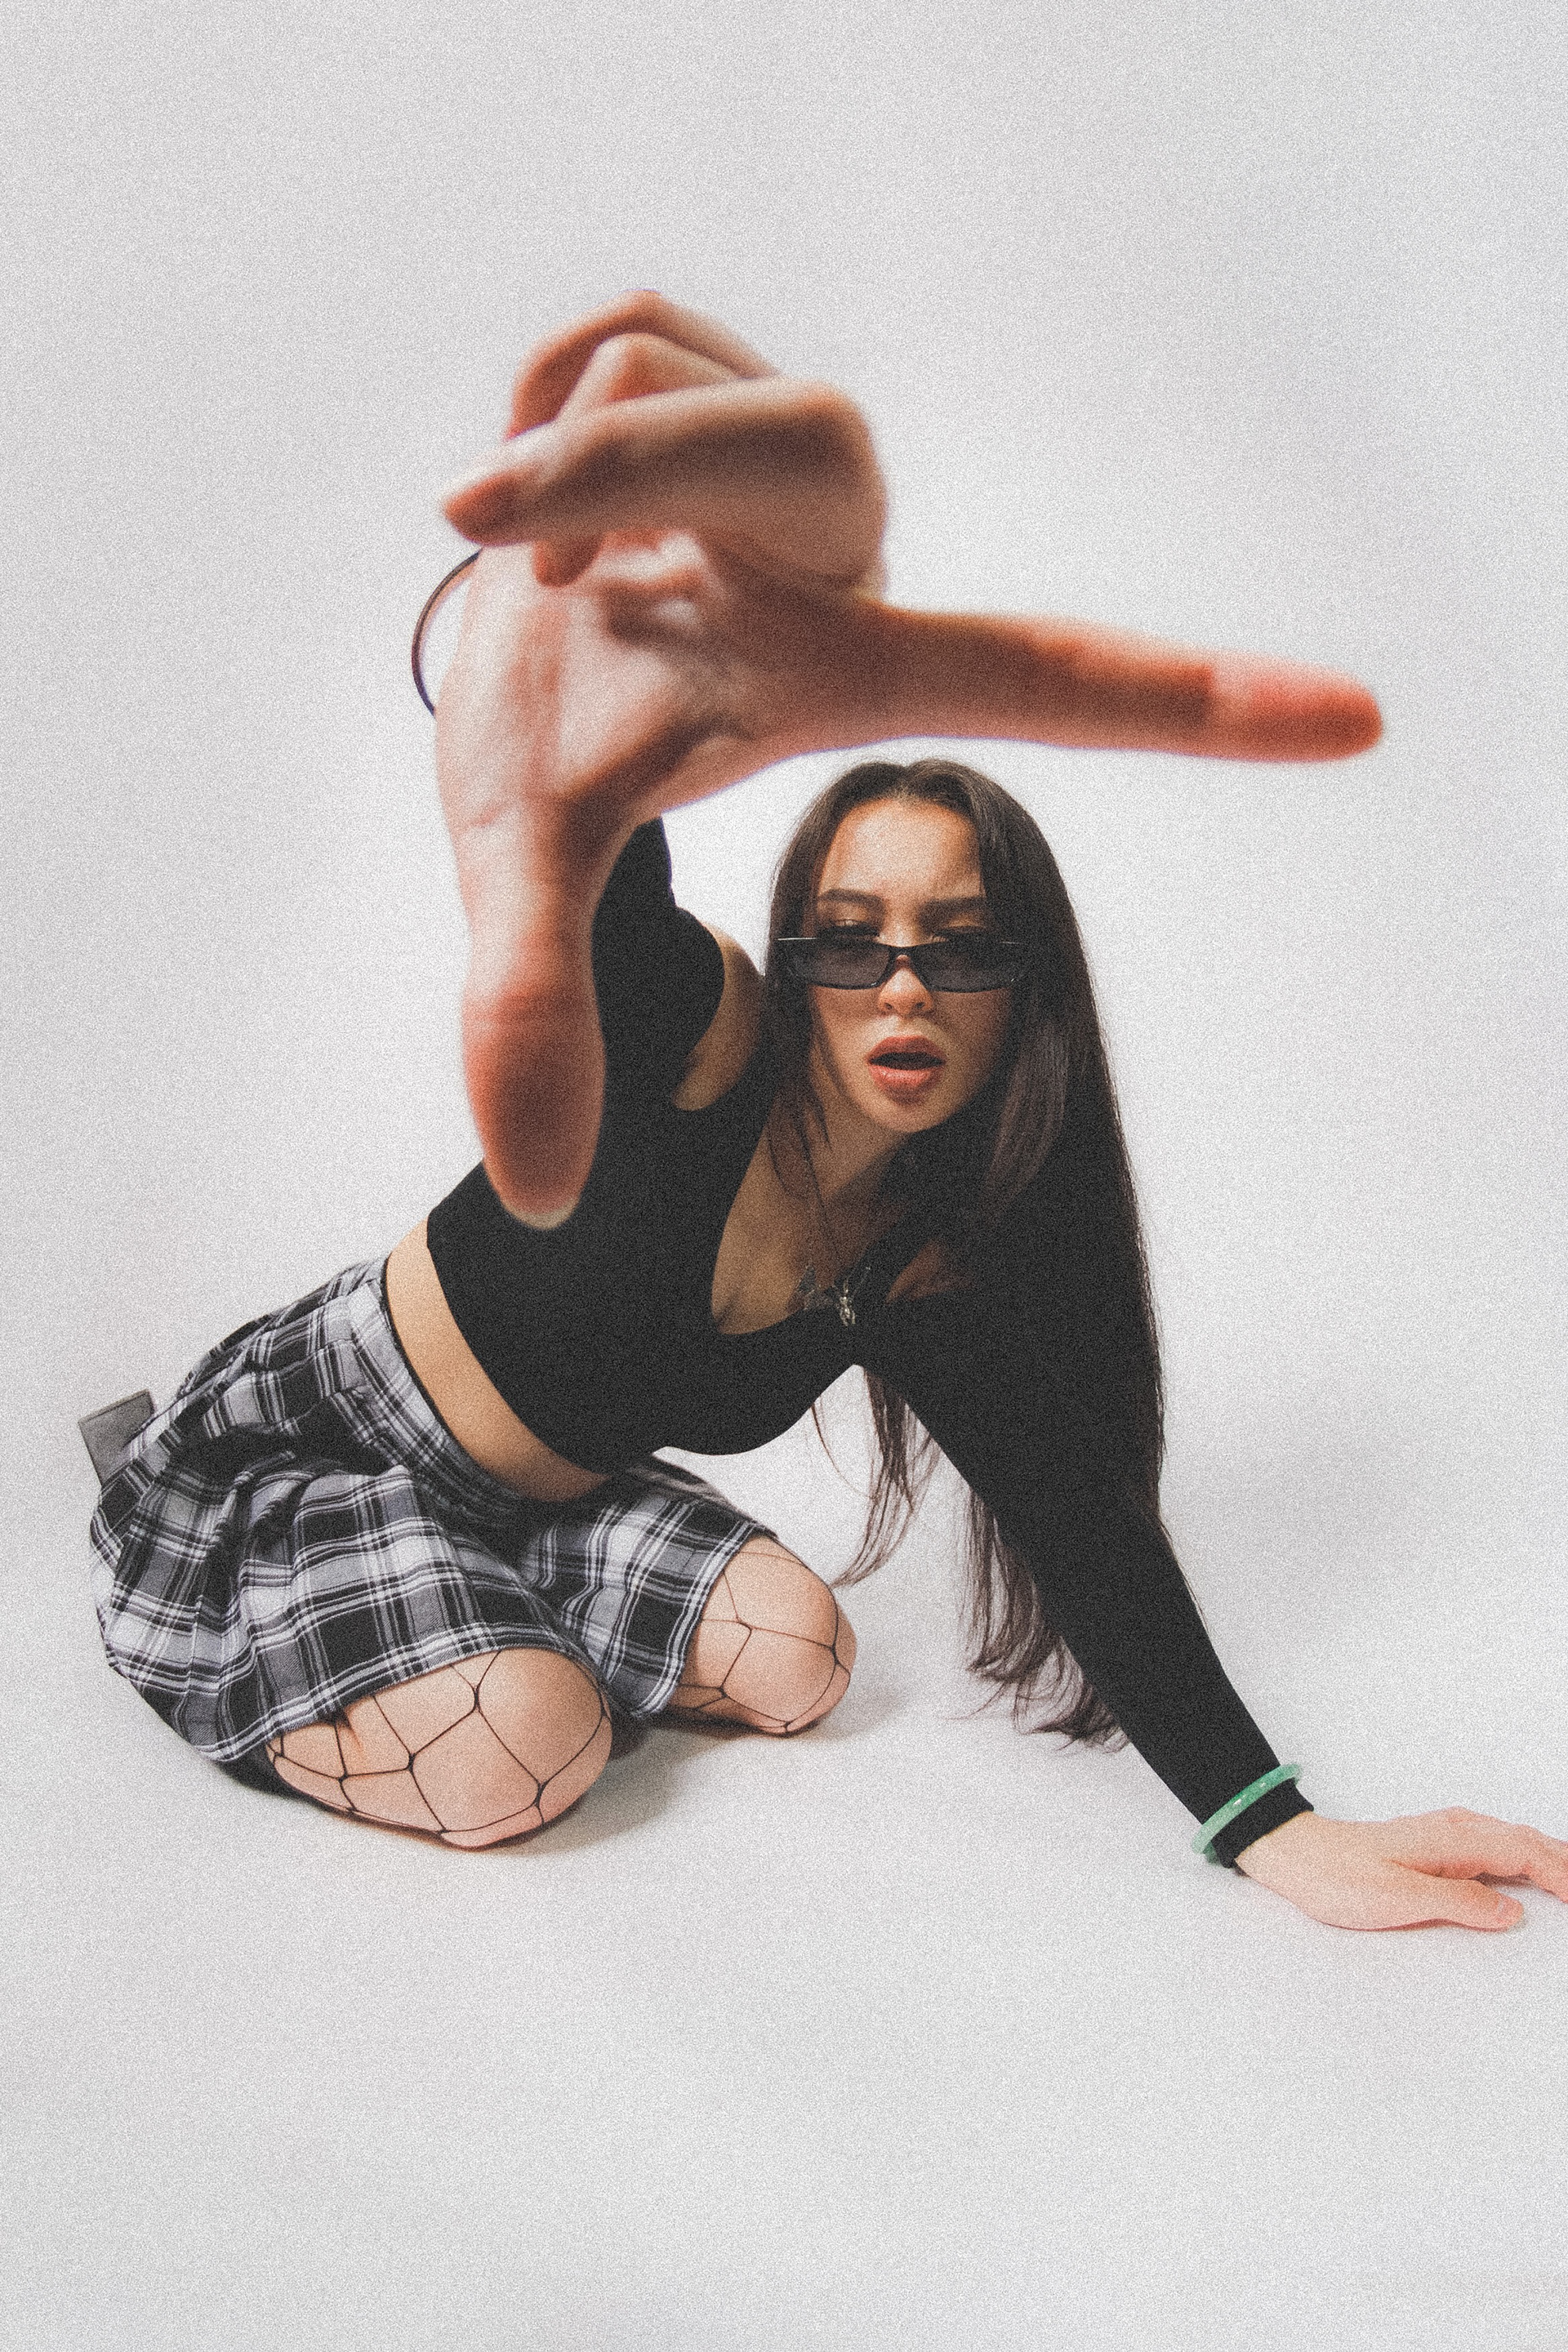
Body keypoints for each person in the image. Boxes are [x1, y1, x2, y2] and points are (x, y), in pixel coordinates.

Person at [89, 293, 1567, 1928]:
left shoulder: (927, 1260)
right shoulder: (693, 1034)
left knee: (803, 1662)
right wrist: (532, 645)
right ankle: (242, 1610)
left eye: (960, 944)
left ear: (1028, 993)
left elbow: (1087, 1537)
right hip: (304, 1450)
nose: (901, 987)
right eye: (850, 940)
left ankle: (468, 1618)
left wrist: (1274, 1830)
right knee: (529, 1749)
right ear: (795, 955)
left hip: (542, 1507)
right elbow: (588, 843)